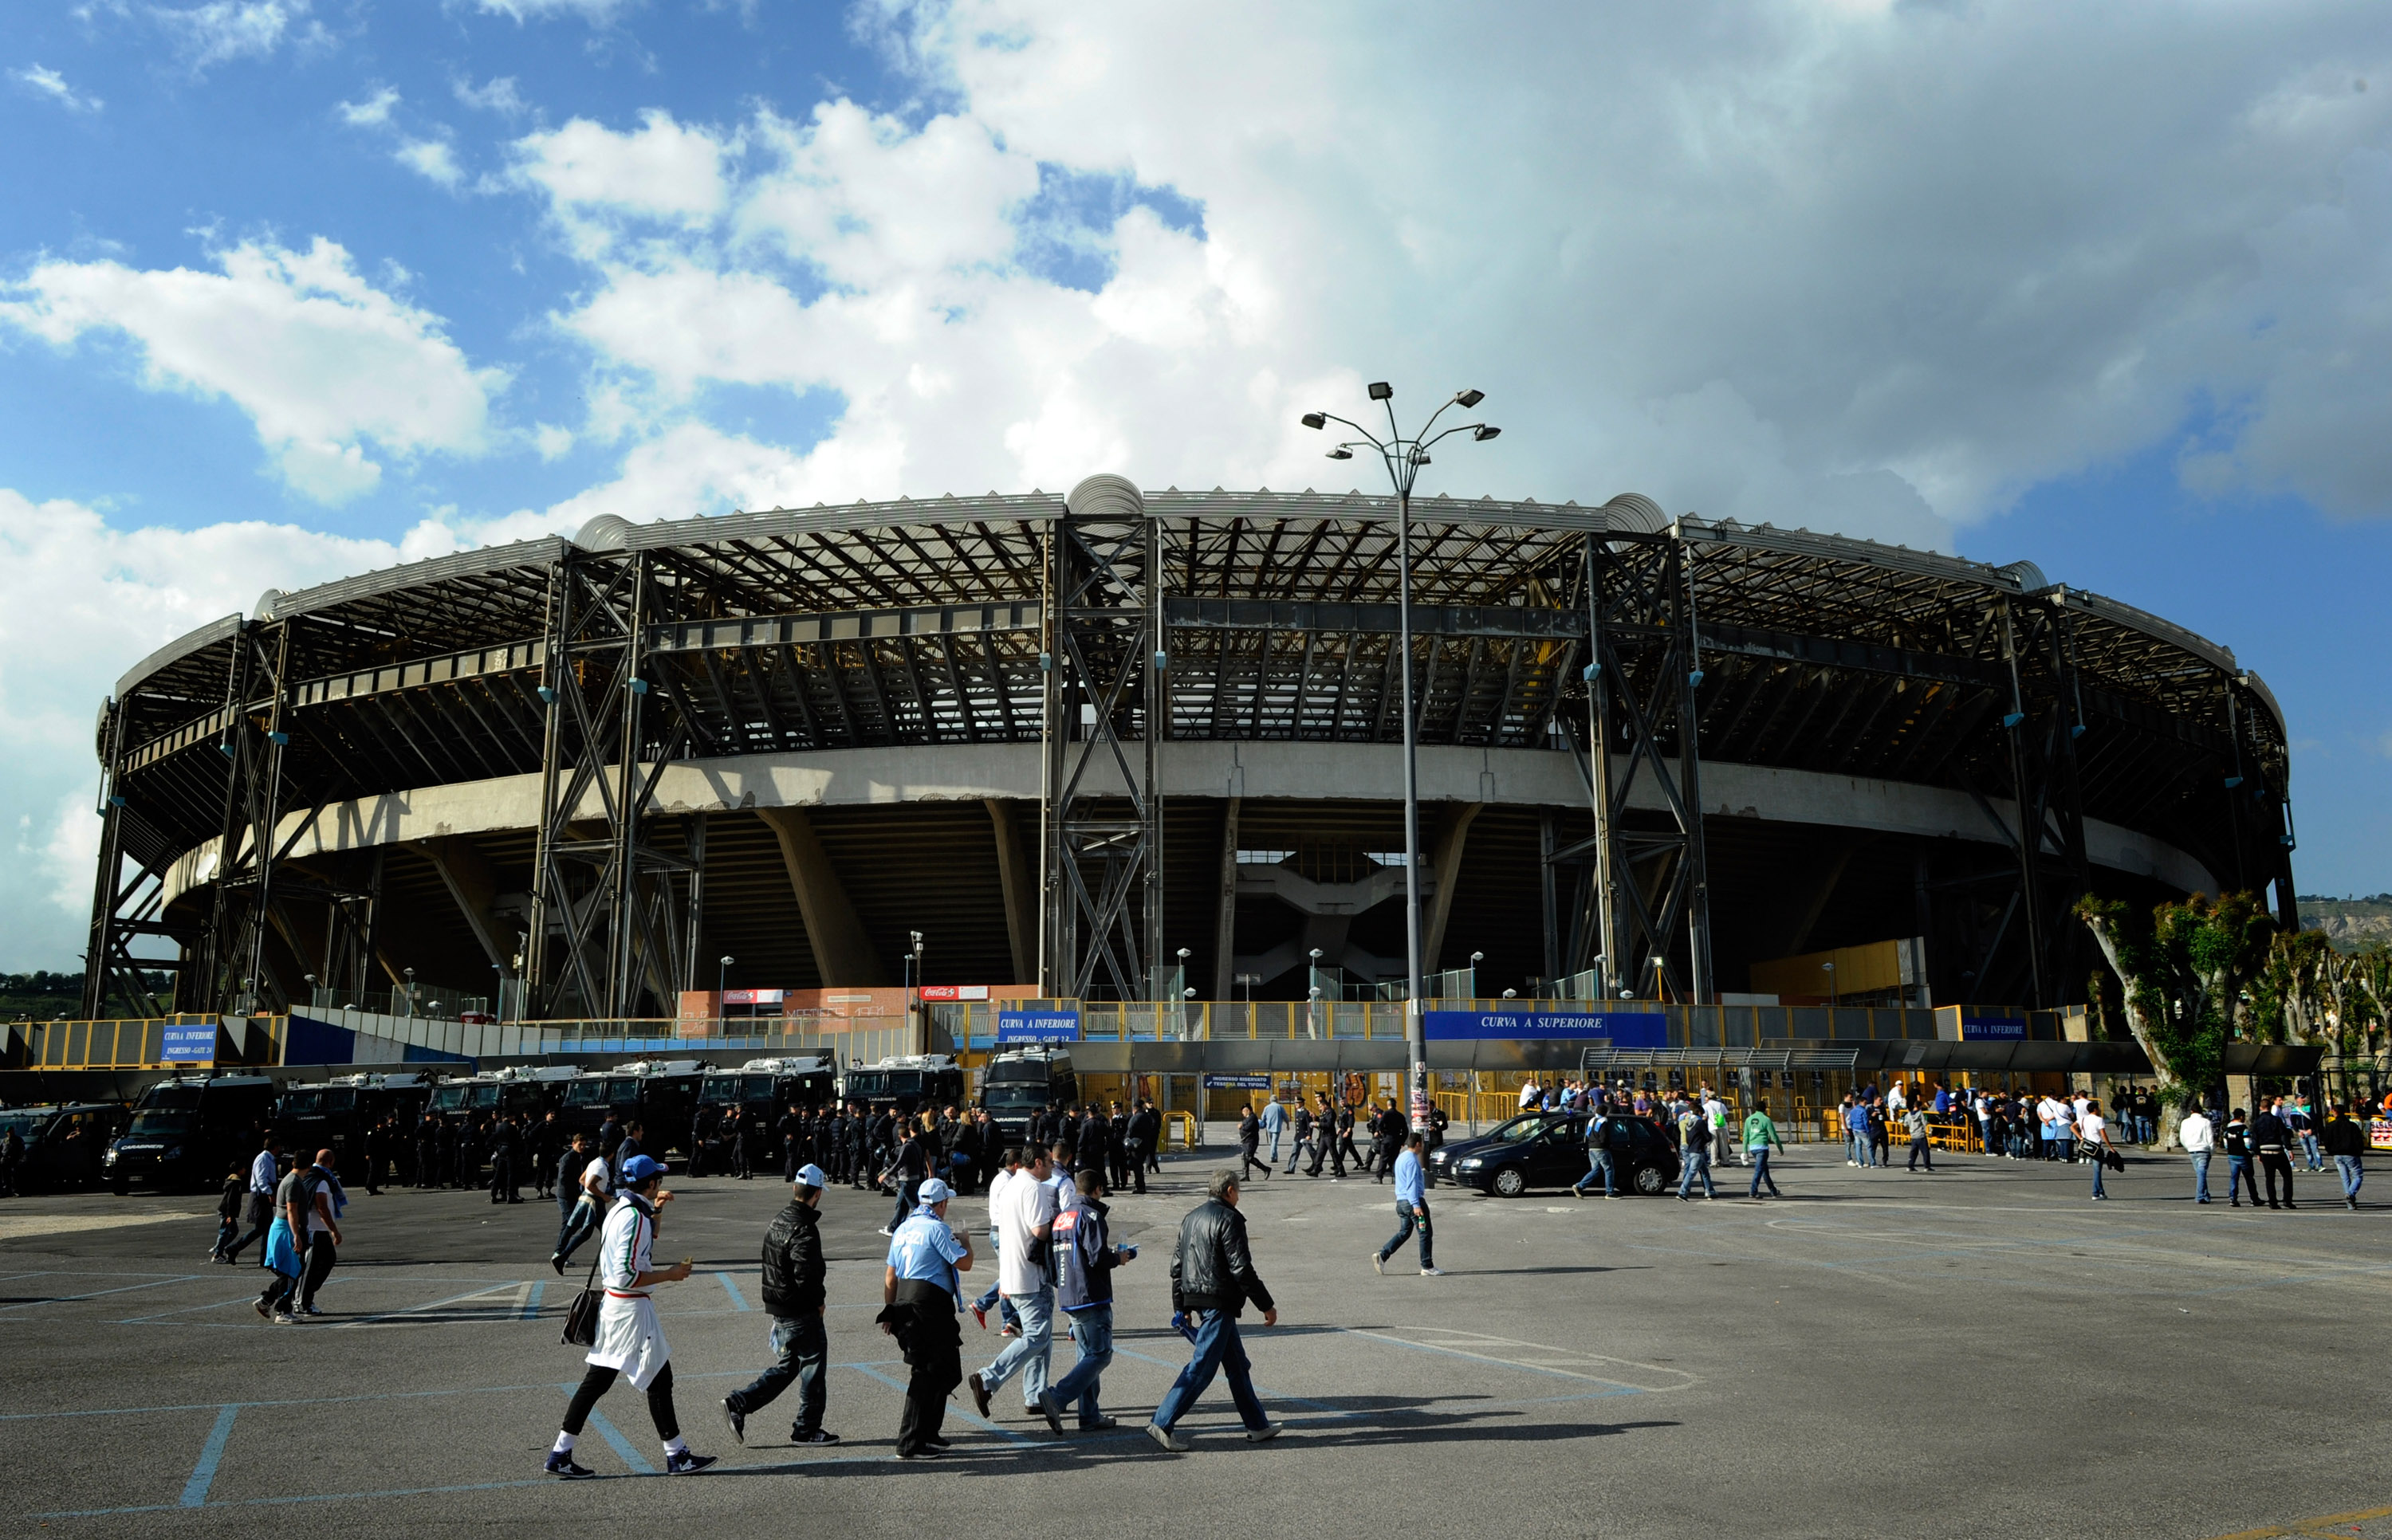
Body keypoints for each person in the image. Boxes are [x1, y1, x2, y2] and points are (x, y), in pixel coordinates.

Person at [546, 1155, 713, 1478]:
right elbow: (628, 1274)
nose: (660, 1185)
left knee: (600, 1382)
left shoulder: (620, 1210)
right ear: (650, 1184)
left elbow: (643, 1245)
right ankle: (677, 1455)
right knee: (657, 1380)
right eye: (658, 1182)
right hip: (630, 1310)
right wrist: (671, 1274)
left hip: (617, 1307)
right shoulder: (634, 1216)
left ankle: (560, 1452)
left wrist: (658, 1209)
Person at [1148, 1170, 1282, 1452]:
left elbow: (1177, 1268)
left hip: (1200, 1299)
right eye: (1238, 1191)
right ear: (1230, 1191)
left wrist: (1181, 1306)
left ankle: (1257, 1425)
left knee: (1237, 1366)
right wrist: (1266, 1305)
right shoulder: (1230, 1218)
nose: (1239, 1196)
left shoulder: (1191, 1217)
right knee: (1202, 1367)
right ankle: (1162, 1422)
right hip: (1219, 1301)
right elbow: (1241, 1269)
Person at [722, 1163, 837, 1447]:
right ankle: (807, 1428)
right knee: (812, 1367)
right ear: (817, 1194)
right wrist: (818, 1302)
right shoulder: (804, 1227)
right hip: (799, 1308)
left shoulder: (780, 1219)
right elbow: (807, 1273)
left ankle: (740, 1402)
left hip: (779, 1305)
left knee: (788, 1366)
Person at [877, 1177, 972, 1459]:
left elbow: (890, 1276)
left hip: (907, 1300)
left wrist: (890, 1309)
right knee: (926, 1372)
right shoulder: (936, 1229)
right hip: (929, 1305)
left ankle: (928, 1431)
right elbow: (964, 1263)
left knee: (945, 1369)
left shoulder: (904, 1228)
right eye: (947, 1202)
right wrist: (966, 1242)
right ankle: (909, 1442)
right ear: (942, 1203)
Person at [1039, 1166, 1134, 1434]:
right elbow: (1097, 1258)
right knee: (1101, 1354)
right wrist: (1118, 1257)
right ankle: (1056, 1397)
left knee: (1087, 1356)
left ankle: (1089, 1415)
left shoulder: (1062, 1217)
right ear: (1097, 1190)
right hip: (1090, 1294)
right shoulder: (1090, 1215)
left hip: (1069, 1292)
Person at [969, 1146, 1059, 1421]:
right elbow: (1039, 1230)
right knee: (1037, 1337)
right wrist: (1058, 1222)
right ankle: (988, 1379)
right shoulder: (1032, 1188)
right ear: (1039, 1163)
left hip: (1013, 1271)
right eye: (1051, 1163)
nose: (1053, 1168)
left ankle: (1034, 1395)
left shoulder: (1010, 1185)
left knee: (1041, 1338)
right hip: (1029, 1274)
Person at [1372, 1133, 1439, 1276]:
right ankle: (1427, 1266)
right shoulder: (1413, 1161)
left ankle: (1383, 1255)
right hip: (1412, 1202)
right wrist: (1416, 1205)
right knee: (1425, 1233)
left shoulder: (1401, 1157)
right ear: (1418, 1144)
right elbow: (1412, 1184)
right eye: (1422, 1142)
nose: (1423, 1145)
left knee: (1404, 1232)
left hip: (1401, 1202)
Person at [253, 1152, 309, 1323]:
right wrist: (296, 1235)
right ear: (309, 1165)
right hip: (286, 1229)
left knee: (291, 1270)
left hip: (285, 1228)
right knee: (293, 1271)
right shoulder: (293, 1182)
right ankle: (282, 1310)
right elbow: (291, 1210)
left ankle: (266, 1301)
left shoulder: (293, 1180)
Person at [552, 1133, 612, 1275]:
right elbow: (589, 1184)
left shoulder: (594, 1162)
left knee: (594, 1231)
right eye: (581, 1145)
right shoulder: (601, 1166)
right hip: (592, 1201)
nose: (583, 1148)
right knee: (585, 1229)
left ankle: (561, 1256)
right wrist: (604, 1196)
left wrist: (586, 1192)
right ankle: (561, 1255)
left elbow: (581, 1179)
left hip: (587, 1198)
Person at [222, 1137, 282, 1263]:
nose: (280, 1149)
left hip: (264, 1194)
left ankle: (262, 1256)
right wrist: (269, 1193)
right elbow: (261, 1179)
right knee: (262, 1228)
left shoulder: (270, 1159)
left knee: (264, 1228)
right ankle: (237, 1249)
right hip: (260, 1196)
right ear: (274, 1146)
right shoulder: (263, 1158)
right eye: (278, 1146)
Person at [2251, 1097, 2298, 1209]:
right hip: (2278, 1150)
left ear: (2261, 1108)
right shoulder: (2276, 1120)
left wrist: (2258, 1153)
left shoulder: (2257, 1122)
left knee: (2270, 1178)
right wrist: (2289, 1149)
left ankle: (2273, 1202)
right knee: (2287, 1176)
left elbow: (2255, 1139)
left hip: (2265, 1151)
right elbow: (2283, 1135)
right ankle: (2287, 1200)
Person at [2319, 1102, 2366, 1210]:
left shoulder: (2331, 1126)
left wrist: (2330, 1151)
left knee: (2345, 1177)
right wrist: (2359, 1152)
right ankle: (2350, 1194)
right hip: (2351, 1153)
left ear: (2334, 1112)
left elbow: (2327, 1140)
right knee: (2358, 1176)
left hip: (2337, 1154)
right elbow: (2359, 1140)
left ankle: (2350, 1202)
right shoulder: (2352, 1126)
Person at [1572, 1103, 1618, 1199]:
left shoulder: (1592, 1120)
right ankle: (1610, 1192)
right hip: (1601, 1149)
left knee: (1596, 1170)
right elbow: (1604, 1137)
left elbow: (1588, 1134)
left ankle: (1579, 1186)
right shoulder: (1604, 1121)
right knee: (1609, 1170)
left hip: (1591, 1148)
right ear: (1606, 1113)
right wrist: (1608, 1145)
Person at [1745, 1101, 1787, 1199]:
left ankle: (1773, 1191)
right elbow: (1774, 1136)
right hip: (1762, 1148)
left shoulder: (1748, 1120)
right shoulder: (1766, 1120)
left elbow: (1745, 1136)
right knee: (1759, 1170)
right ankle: (1753, 1191)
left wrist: (1744, 1151)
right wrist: (1780, 1148)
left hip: (1753, 1148)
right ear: (1765, 1109)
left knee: (1764, 1170)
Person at [1676, 1102, 1716, 1200]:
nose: (1702, 1116)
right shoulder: (1700, 1122)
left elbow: (1688, 1138)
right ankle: (1682, 1192)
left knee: (1704, 1172)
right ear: (1698, 1113)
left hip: (1691, 1148)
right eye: (1702, 1114)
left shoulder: (1688, 1122)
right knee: (1692, 1172)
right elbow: (1707, 1136)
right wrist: (1706, 1139)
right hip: (1698, 1150)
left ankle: (1710, 1191)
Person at [2223, 1108, 2260, 1207]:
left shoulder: (2227, 1129)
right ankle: (2254, 1198)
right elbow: (2248, 1143)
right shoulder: (2244, 1129)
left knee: (2234, 1178)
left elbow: (2226, 1144)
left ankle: (2233, 1198)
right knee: (2249, 1178)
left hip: (2232, 1156)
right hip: (2243, 1157)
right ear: (2241, 1117)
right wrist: (2251, 1152)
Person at [2180, 1103, 2215, 1204]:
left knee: (2200, 1173)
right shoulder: (2206, 1122)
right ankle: (2200, 1195)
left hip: (2191, 1149)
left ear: (2191, 1111)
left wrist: (2188, 1147)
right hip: (2203, 1149)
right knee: (2202, 1173)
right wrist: (2211, 1150)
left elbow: (2182, 1137)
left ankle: (2205, 1194)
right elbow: (2210, 1138)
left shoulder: (2185, 1122)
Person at [210, 1165, 245, 1261]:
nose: (245, 1170)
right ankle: (217, 1254)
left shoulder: (231, 1181)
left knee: (234, 1231)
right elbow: (231, 1199)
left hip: (226, 1210)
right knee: (224, 1232)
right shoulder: (236, 1183)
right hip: (227, 1210)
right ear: (239, 1170)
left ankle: (219, 1247)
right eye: (243, 1168)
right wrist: (230, 1214)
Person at [2082, 1098, 2112, 1200]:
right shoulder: (2099, 1120)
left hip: (2087, 1146)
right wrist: (2110, 1147)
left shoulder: (2084, 1119)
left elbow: (2073, 1127)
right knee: (2097, 1170)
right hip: (2097, 1146)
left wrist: (2080, 1137)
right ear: (2095, 1109)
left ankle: (2101, 1192)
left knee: (2097, 1169)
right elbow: (2103, 1134)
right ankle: (2095, 1193)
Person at [1235, 1103, 1273, 1182]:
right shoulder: (1248, 1118)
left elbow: (1247, 1128)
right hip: (1246, 1141)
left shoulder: (1252, 1118)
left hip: (1251, 1141)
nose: (1243, 1113)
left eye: (1243, 1111)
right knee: (1245, 1156)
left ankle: (1266, 1169)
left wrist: (1241, 1126)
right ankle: (1246, 1176)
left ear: (1248, 1110)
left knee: (1249, 1157)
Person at [1904, 1104, 1935, 1173]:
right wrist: (1929, 1129)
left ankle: (1910, 1166)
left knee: (1913, 1152)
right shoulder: (1920, 1113)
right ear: (1920, 1106)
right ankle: (1927, 1166)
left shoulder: (1908, 1114)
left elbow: (1905, 1124)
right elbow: (1924, 1123)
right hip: (1920, 1134)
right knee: (1925, 1152)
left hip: (1913, 1135)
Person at [1259, 1096, 1287, 1165]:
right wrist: (1288, 1124)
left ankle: (1275, 1157)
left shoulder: (1267, 1107)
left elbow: (1263, 1117)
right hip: (1277, 1127)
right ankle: (1272, 1157)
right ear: (1277, 1100)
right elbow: (1285, 1116)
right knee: (1274, 1143)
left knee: (1273, 1142)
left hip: (1269, 1127)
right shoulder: (1280, 1107)